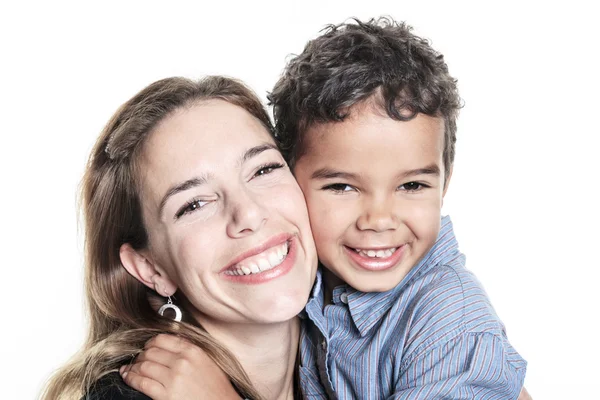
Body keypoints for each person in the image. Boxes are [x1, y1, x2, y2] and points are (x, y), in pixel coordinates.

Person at [124, 17, 530, 399]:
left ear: (445, 184)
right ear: (295, 180)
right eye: (342, 186)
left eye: (411, 185)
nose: (379, 220)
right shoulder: (313, 282)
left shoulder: (451, 330)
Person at [41, 76, 318, 400]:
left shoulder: (366, 352)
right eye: (194, 204)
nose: (249, 214)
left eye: (262, 170)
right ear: (149, 268)